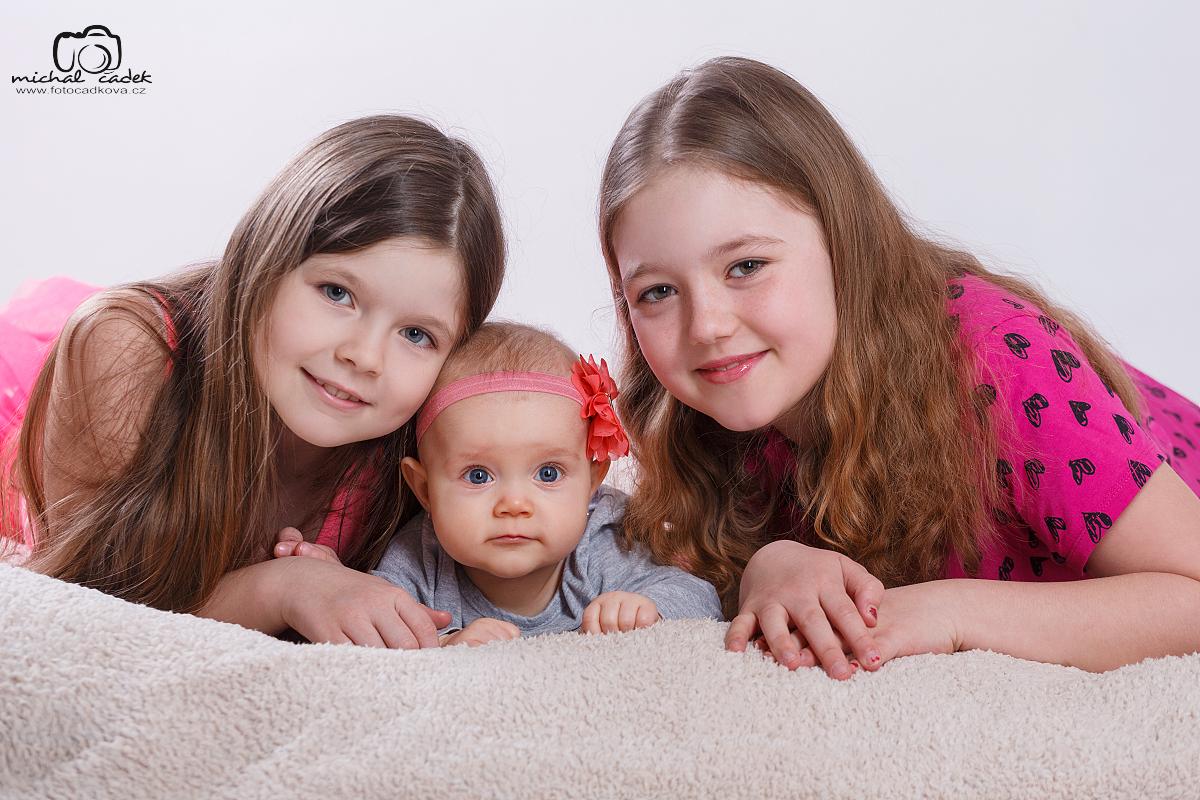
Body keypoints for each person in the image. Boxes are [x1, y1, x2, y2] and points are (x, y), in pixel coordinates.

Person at [596, 56, 1200, 678]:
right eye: (657, 292)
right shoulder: (692, 416)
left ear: (843, 243)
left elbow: (1191, 591)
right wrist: (768, 564)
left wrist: (952, 611)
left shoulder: (995, 357)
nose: (707, 326)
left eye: (746, 267)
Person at [0, 115, 506, 650]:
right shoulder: (124, 351)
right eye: (336, 293)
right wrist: (282, 587)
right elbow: (88, 604)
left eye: (416, 334)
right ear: (265, 258)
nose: (363, 356)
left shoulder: (415, 437)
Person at [359, 322, 722, 645]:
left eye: (548, 473)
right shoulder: (419, 559)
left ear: (592, 480)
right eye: (478, 475)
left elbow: (699, 596)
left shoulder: (606, 539)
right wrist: (445, 642)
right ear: (425, 490)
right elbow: (377, 625)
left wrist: (645, 607)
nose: (514, 505)